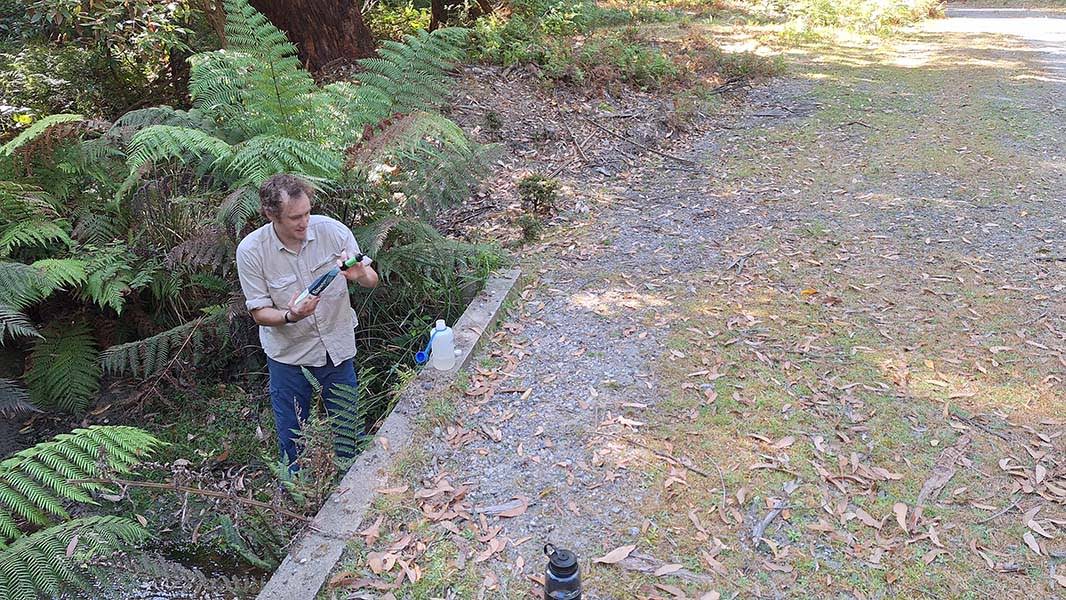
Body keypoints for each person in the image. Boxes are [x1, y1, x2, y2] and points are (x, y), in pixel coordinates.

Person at [235, 174, 379, 467]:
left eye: (307, 213)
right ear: (270, 215)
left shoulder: (333, 232)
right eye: (295, 217)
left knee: (348, 431)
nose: (304, 222)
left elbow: (371, 279)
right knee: (293, 439)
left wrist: (361, 274)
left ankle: (351, 488)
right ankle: (299, 494)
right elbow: (259, 312)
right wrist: (291, 315)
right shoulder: (251, 251)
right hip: (289, 357)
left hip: (336, 349)